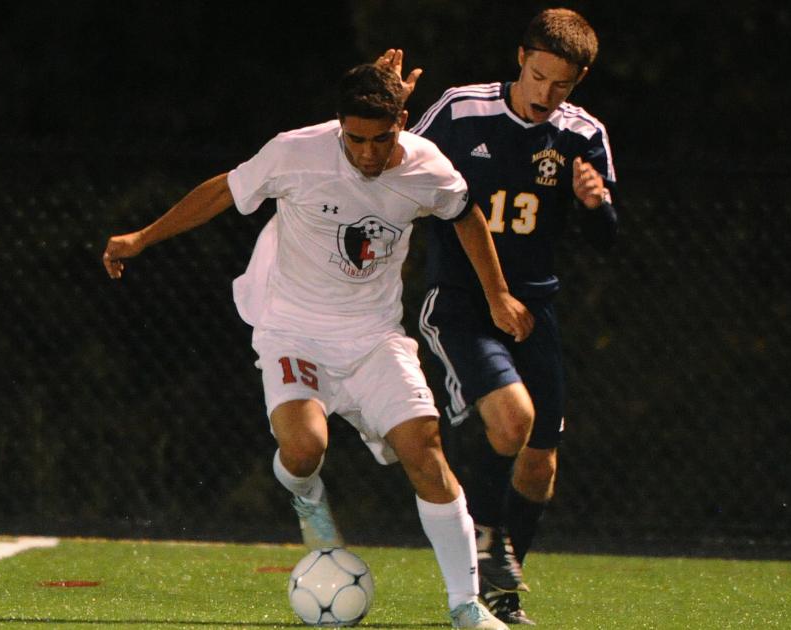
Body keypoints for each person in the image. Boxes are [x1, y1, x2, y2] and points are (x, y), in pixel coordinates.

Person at [101, 62, 533, 629]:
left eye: (382, 139)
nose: (369, 154)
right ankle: (304, 491)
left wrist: (497, 294)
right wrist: (141, 237)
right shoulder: (295, 153)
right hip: (293, 331)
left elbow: (466, 215)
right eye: (355, 139)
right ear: (338, 125)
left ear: (402, 123)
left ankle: (465, 606)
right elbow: (223, 192)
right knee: (305, 448)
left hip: (375, 337)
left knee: (425, 451)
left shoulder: (427, 168)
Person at [386, 8, 618, 625]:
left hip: (534, 307)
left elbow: (606, 239)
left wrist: (594, 205)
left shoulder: (582, 134)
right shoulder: (464, 110)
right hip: (462, 301)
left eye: (561, 84)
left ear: (580, 78)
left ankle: (501, 589)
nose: (546, 94)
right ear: (521, 57)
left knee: (541, 463)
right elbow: (399, 160)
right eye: (538, 76)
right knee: (512, 420)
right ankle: (484, 539)